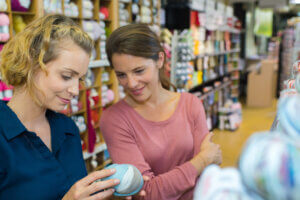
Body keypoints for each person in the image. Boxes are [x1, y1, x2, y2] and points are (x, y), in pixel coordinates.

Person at [0, 14, 123, 200]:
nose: (75, 90)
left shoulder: (67, 129)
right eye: (66, 76)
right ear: (31, 64)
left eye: (79, 79)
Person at [100, 24, 222, 199]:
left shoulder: (190, 104)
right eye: (121, 75)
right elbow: (146, 193)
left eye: (139, 71)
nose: (131, 83)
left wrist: (204, 164)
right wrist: (202, 160)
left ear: (159, 59)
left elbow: (209, 173)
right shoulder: (114, 119)